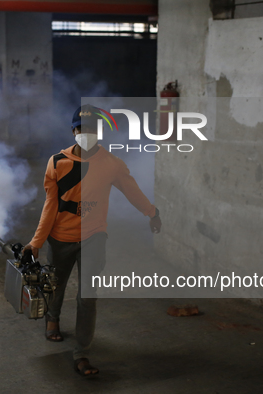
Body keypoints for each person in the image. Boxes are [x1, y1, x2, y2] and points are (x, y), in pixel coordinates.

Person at [23, 104, 162, 376]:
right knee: (57, 285)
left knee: (88, 296)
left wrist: (152, 212)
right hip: (60, 239)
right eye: (81, 128)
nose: (86, 133)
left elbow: (132, 192)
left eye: (92, 129)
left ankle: (82, 353)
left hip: (94, 237)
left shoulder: (112, 165)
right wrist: (36, 243)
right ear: (73, 130)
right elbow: (50, 206)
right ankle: (52, 319)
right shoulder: (57, 163)